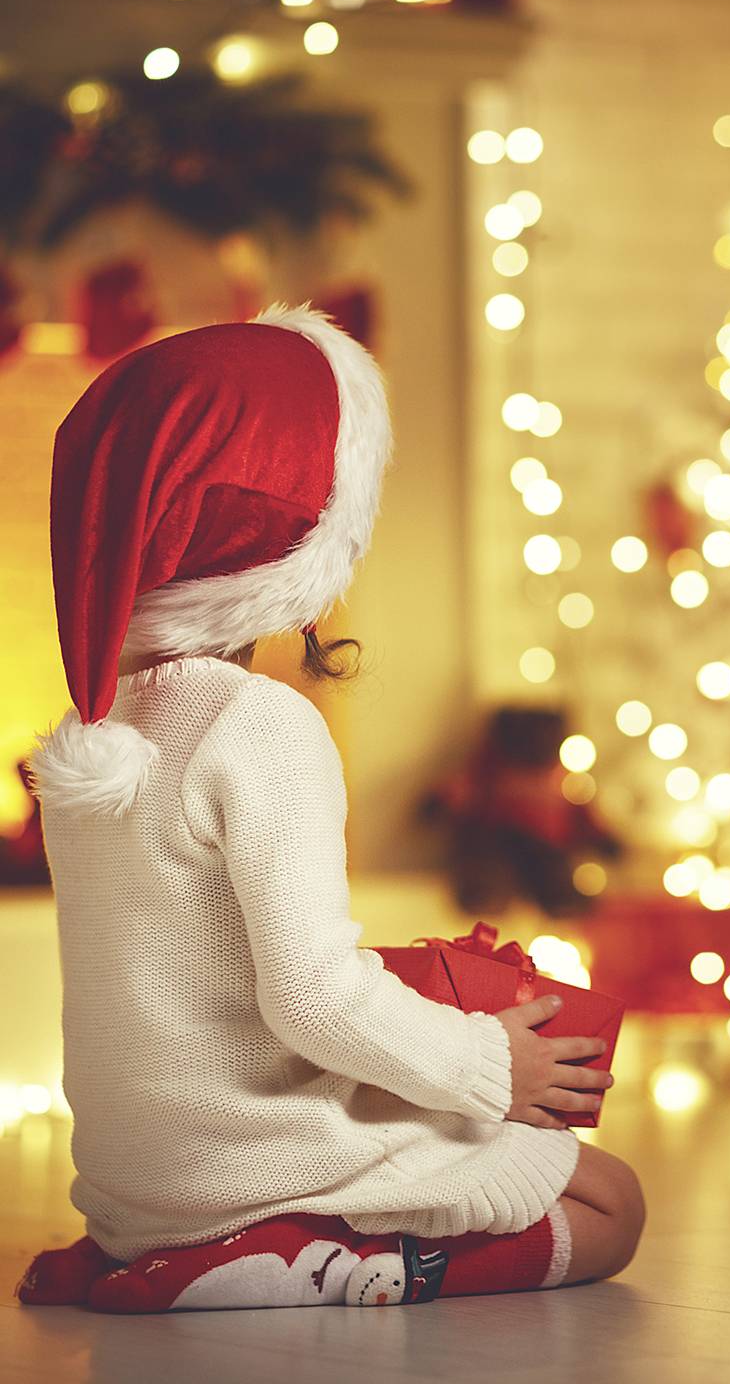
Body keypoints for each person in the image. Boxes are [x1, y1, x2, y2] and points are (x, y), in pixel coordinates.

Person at [13, 310, 643, 1313]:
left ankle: (139, 1253)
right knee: (611, 1203)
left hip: (135, 1182)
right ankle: (291, 1263)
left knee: (515, 1159)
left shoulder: (88, 739)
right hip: (248, 1161)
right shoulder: (260, 724)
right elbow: (311, 1000)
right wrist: (490, 1066)